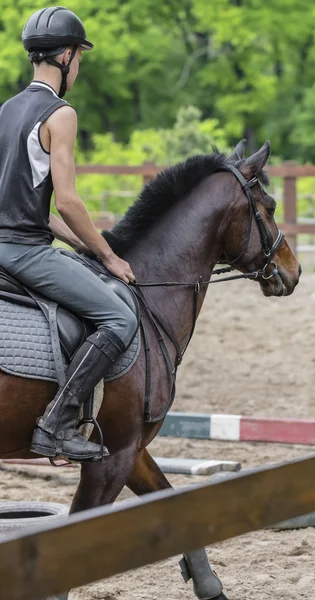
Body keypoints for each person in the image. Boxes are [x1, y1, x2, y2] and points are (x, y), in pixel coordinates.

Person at [0, 6, 139, 462]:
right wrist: (109, 256)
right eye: (79, 56)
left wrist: (80, 244)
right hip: (23, 253)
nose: (78, 66)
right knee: (119, 317)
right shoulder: (60, 114)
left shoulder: (6, 111)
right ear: (65, 56)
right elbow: (68, 201)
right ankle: (57, 423)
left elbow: (29, 206)